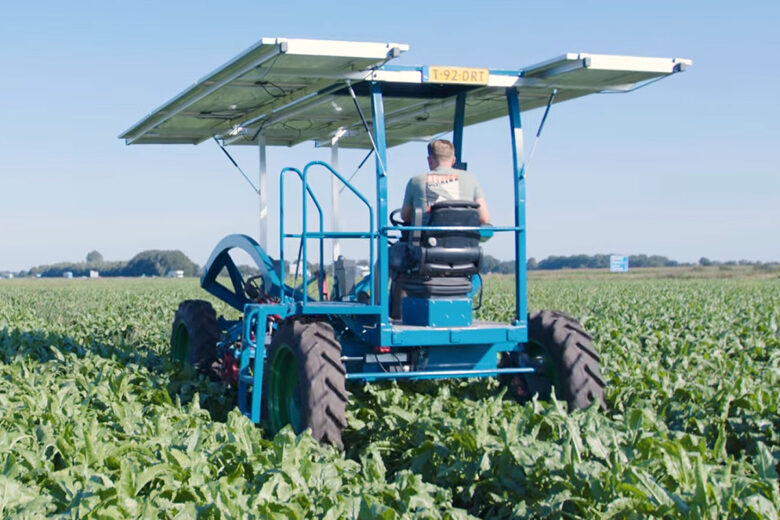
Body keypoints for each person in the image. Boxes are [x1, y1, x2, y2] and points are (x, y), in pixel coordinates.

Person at [400, 139, 490, 225]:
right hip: (464, 238)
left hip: (428, 239)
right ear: (453, 160)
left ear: (429, 160)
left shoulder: (416, 181)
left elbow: (405, 216)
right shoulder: (471, 178)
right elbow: (484, 218)